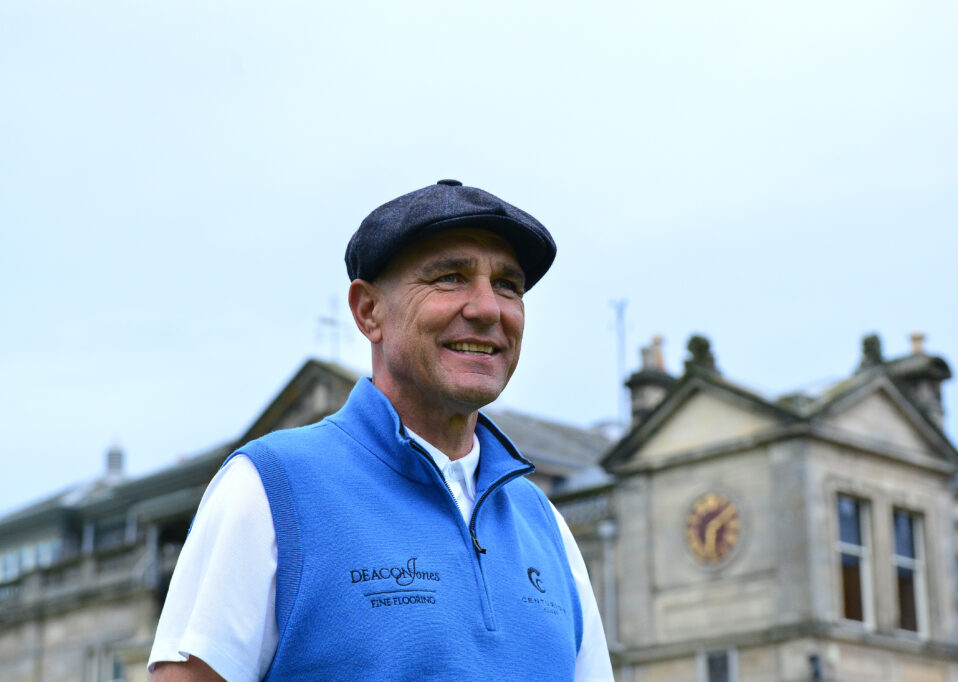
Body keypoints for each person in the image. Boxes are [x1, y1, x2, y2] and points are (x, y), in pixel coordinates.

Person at [148, 179, 614, 681]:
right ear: (369, 312)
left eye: (508, 285)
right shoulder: (267, 488)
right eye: (450, 277)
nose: (487, 308)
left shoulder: (544, 523)